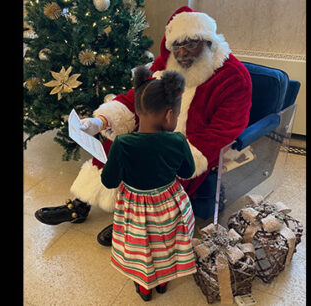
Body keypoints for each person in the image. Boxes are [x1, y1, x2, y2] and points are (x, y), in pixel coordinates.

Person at [34, 6, 252, 247]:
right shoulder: (167, 62)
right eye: (176, 47)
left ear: (208, 42)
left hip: (191, 145)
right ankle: (80, 204)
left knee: (157, 175)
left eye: (190, 45)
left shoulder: (234, 77)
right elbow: (136, 98)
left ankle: (130, 221)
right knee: (114, 146)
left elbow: (223, 131)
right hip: (156, 131)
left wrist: (176, 154)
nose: (182, 54)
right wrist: (100, 121)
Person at [103, 66, 196, 301]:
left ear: (137, 109)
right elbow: (188, 171)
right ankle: (163, 280)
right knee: (166, 242)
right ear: (168, 115)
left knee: (141, 245)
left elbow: (109, 180)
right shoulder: (177, 140)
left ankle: (144, 286)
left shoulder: (122, 144)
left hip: (134, 209)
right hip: (168, 204)